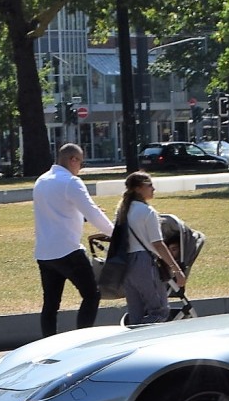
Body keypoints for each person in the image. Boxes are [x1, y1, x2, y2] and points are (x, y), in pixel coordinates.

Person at [32, 143, 114, 338]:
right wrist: (116, 233)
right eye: (81, 163)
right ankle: (81, 342)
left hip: (44, 253)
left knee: (51, 304)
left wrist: (82, 217)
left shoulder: (41, 181)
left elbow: (58, 212)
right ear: (73, 160)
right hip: (68, 251)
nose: (80, 168)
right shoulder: (71, 182)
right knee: (92, 295)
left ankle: (48, 344)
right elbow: (93, 213)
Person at [114, 171, 186, 325]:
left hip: (126, 264)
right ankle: (145, 336)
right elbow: (158, 244)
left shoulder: (122, 211)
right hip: (143, 262)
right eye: (150, 185)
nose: (153, 189)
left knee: (135, 313)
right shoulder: (147, 212)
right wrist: (177, 270)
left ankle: (134, 340)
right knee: (160, 311)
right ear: (139, 188)